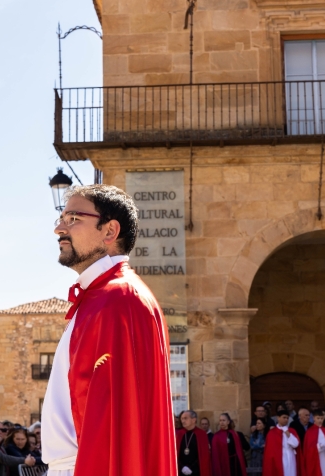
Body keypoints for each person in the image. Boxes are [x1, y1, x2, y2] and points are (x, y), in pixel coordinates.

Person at [42, 184, 176, 476]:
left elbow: (114, 428)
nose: (59, 229)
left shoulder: (119, 300)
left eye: (73, 219)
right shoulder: (101, 297)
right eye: (60, 219)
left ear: (109, 231)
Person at [263, 410, 302, 476]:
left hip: (291, 457)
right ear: (278, 417)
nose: (286, 419)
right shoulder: (272, 432)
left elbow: (295, 444)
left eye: (287, 418)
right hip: (279, 459)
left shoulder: (292, 430)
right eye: (284, 417)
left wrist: (287, 432)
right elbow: (270, 451)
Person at [176, 410, 212, 476]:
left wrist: (192, 468)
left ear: (193, 420)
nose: (183, 421)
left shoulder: (201, 434)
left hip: (196, 471)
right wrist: (182, 466)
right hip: (181, 470)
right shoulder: (179, 434)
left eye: (185, 418)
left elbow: (204, 456)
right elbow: (176, 454)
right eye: (182, 418)